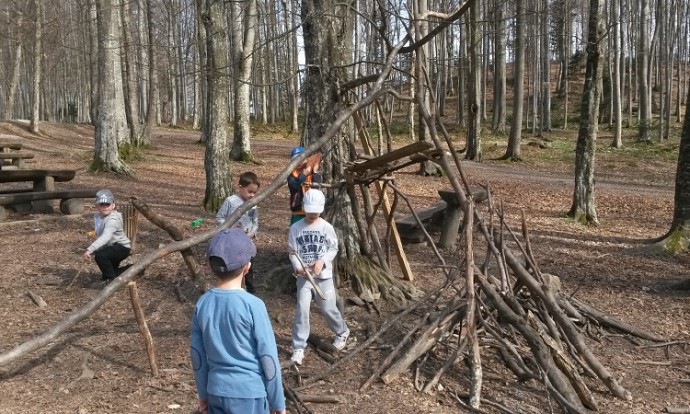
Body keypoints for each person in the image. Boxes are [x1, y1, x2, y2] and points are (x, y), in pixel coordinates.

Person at [191, 228, 286, 414]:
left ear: (211, 266)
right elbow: (268, 358)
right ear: (247, 267)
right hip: (249, 395)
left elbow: (197, 356)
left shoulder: (202, 304)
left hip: (216, 391)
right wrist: (278, 402)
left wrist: (203, 394)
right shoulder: (254, 306)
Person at [288, 189, 349, 365]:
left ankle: (342, 331)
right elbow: (292, 252)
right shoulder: (295, 228)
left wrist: (322, 261)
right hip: (304, 279)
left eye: (316, 211)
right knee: (302, 309)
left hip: (324, 278)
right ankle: (298, 347)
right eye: (310, 210)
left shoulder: (326, 227)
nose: (313, 214)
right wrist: (298, 267)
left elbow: (333, 248)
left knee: (328, 308)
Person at [215, 171, 260, 293]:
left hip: (247, 242)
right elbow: (219, 218)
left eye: (255, 193)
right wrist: (230, 227)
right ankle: (233, 288)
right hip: (232, 242)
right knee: (234, 266)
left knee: (249, 266)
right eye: (249, 191)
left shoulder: (253, 204)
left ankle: (250, 291)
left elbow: (255, 222)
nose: (252, 195)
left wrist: (253, 232)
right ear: (240, 187)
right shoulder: (230, 201)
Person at [83, 189, 132, 280]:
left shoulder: (112, 220)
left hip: (121, 247)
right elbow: (100, 229)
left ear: (113, 205)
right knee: (112, 272)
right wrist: (94, 233)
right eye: (102, 204)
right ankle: (132, 269)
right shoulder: (97, 216)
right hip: (111, 246)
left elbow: (106, 236)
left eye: (108, 204)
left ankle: (110, 281)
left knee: (101, 256)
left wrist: (90, 249)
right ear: (96, 206)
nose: (105, 207)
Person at [287, 146, 322, 225]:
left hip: (312, 211)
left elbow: (317, 188)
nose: (299, 162)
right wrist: (303, 175)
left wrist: (315, 172)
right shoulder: (292, 175)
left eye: (301, 159)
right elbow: (295, 187)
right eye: (295, 160)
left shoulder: (312, 173)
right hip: (298, 211)